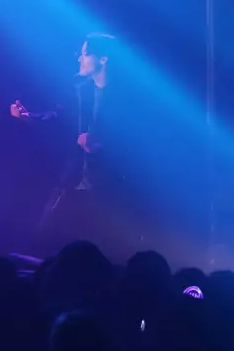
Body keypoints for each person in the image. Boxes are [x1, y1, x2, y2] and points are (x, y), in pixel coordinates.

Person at [10, 32, 139, 258]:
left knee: (103, 252)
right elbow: (59, 116)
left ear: (103, 59)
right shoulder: (82, 90)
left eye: (85, 53)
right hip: (74, 179)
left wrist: (100, 146)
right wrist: (31, 117)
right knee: (44, 241)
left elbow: (138, 146)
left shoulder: (128, 98)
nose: (79, 58)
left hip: (108, 189)